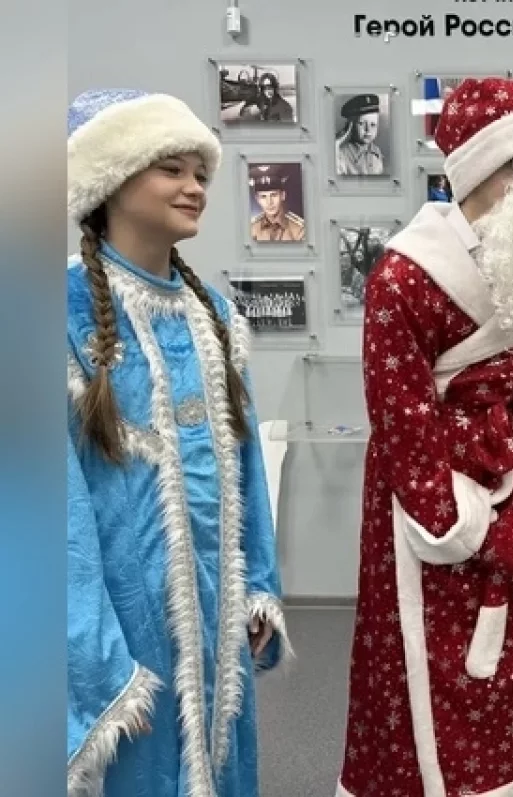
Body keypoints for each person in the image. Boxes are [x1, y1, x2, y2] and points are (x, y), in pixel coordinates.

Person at [333, 76, 513, 797]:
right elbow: (401, 420)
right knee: (425, 668)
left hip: (509, 488)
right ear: (476, 168)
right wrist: (461, 525)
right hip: (426, 507)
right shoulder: (402, 277)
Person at [66, 88, 293, 797]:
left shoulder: (212, 314)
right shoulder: (60, 314)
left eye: (200, 172)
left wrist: (258, 585)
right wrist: (97, 660)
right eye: (171, 169)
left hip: (217, 612)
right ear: (111, 180)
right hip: (120, 626)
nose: (195, 187)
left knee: (223, 761)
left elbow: (244, 467)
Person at [248, 163, 306, 242]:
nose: (269, 202)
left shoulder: (299, 230)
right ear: (257, 199)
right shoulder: (251, 229)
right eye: (263, 196)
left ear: (283, 195)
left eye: (274, 195)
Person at [336, 93, 386, 176]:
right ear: (350, 126)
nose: (368, 130)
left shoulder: (377, 152)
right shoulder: (342, 154)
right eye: (362, 123)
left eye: (373, 124)